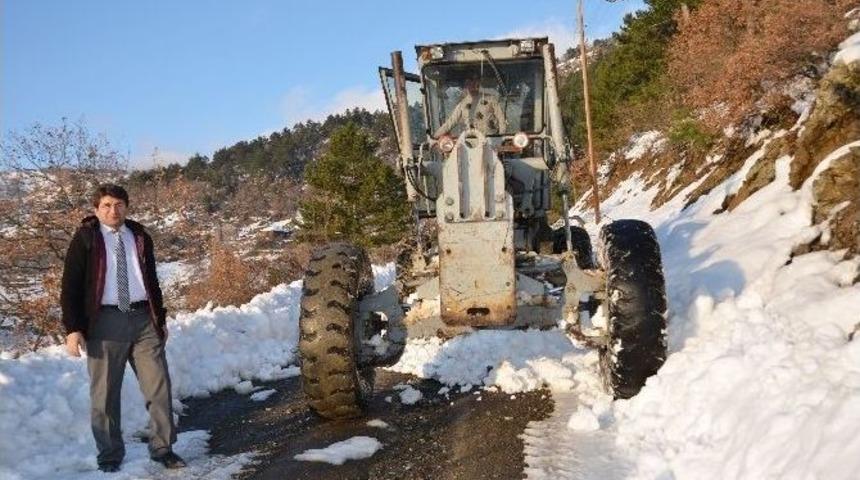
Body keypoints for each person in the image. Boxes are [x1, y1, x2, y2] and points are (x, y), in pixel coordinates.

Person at [60, 184, 185, 473]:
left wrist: (160, 319)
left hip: (143, 319)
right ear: (96, 209)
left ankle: (163, 448)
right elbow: (70, 286)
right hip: (104, 323)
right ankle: (110, 455)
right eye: (106, 205)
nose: (113, 211)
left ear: (126, 207)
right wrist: (73, 327)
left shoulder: (139, 236)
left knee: (159, 387)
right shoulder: (86, 239)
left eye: (118, 205)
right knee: (104, 393)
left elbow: (151, 279)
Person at [434, 77, 507, 137]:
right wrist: (434, 137)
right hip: (472, 141)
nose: (472, 85)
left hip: (491, 138)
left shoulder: (490, 99)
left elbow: (501, 119)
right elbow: (450, 122)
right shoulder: (463, 103)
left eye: (475, 82)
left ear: (478, 83)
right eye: (469, 83)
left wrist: (500, 138)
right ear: (466, 86)